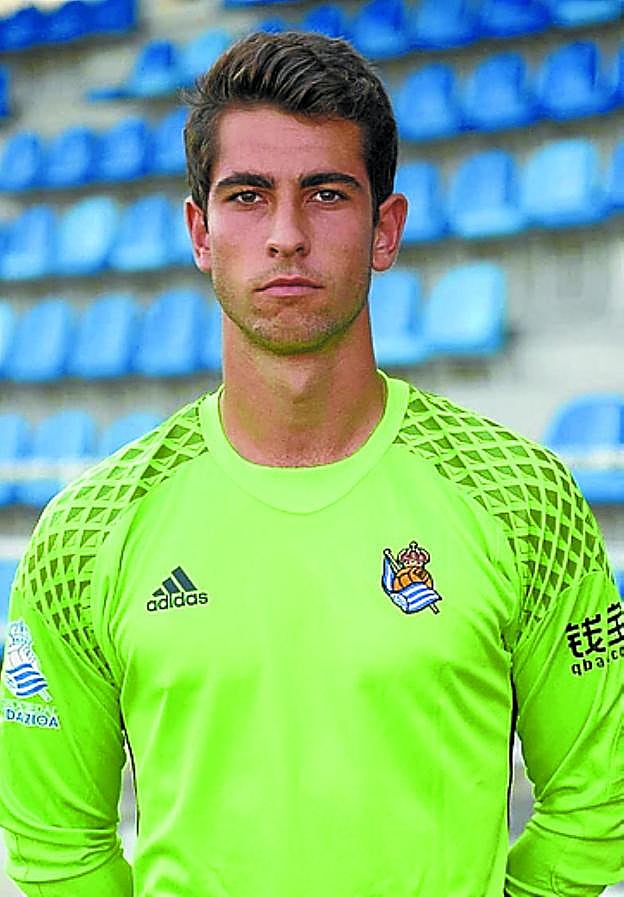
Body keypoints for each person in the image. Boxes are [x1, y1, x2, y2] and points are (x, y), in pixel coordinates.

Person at [0, 29, 622, 897]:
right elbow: (55, 845)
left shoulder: (523, 498)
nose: (286, 235)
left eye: (326, 194)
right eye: (248, 196)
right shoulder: (87, 531)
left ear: (385, 230)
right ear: (200, 232)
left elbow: (600, 799)